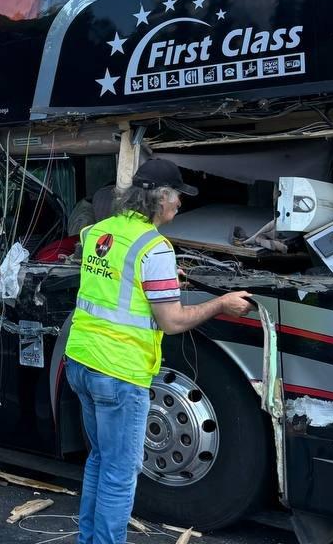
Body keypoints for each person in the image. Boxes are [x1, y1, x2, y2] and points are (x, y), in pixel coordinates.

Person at [64, 159, 254, 544]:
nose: (180, 205)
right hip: (119, 371)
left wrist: (165, 278)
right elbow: (171, 321)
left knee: (100, 460)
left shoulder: (98, 231)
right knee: (120, 472)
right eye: (178, 197)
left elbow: (116, 281)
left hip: (81, 360)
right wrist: (221, 304)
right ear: (160, 198)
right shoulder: (155, 247)